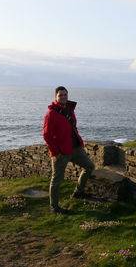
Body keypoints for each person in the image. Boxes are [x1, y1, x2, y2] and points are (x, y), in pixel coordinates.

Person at [43, 86, 95, 214]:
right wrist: (55, 152)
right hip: (61, 152)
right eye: (60, 95)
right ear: (55, 97)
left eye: (65, 94)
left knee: (89, 167)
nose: (63, 97)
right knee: (56, 180)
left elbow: (72, 128)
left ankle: (78, 192)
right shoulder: (51, 113)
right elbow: (46, 135)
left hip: (76, 148)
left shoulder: (70, 109)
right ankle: (54, 208)